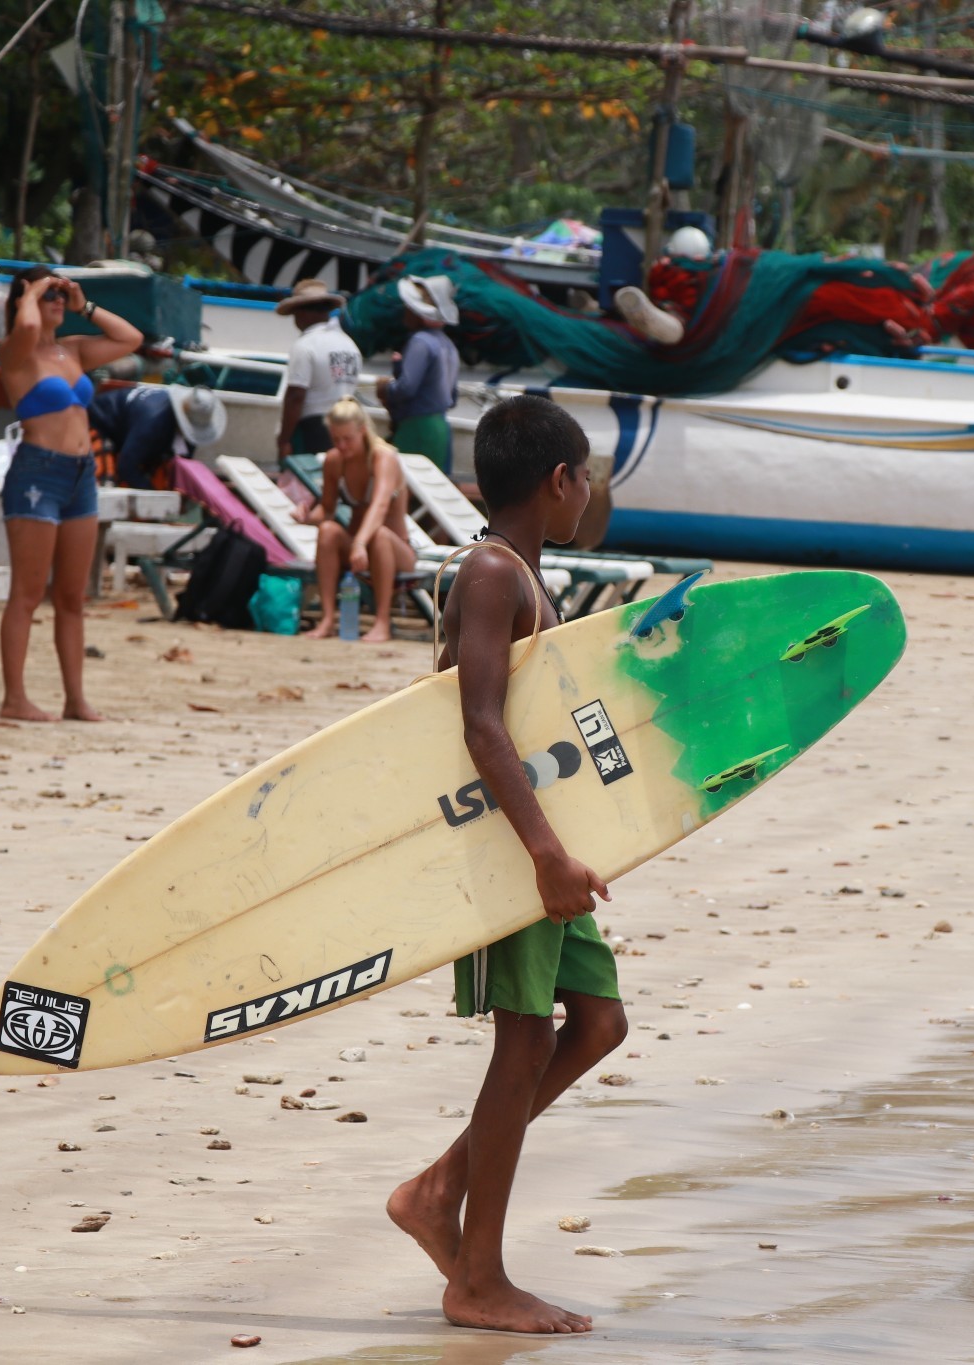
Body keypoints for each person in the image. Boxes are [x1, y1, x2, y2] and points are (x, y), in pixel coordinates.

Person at [385, 394, 624, 1335]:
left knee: (596, 1023)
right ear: (560, 480)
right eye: (585, 478)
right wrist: (545, 854)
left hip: (537, 842)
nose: (589, 495)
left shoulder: (522, 569)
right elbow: (478, 721)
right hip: (505, 847)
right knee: (522, 1041)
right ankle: (477, 1277)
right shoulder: (490, 571)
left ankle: (440, 1188)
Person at [0, 267, 142, 722]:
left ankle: (75, 698)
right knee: (27, 591)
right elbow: (28, 328)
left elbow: (130, 339)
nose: (58, 300)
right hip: (39, 472)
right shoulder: (16, 353)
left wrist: (85, 306)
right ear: (26, 301)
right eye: (50, 295)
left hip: (82, 475)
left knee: (72, 597)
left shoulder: (72, 350)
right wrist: (33, 290)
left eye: (60, 294)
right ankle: (14, 697)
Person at [299, 396, 416, 642]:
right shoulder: (334, 461)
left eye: (347, 439)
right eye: (336, 439)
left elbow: (380, 505)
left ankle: (382, 621)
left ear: (362, 431)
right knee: (329, 531)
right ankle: (328, 619)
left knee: (380, 535)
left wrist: (360, 543)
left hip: (397, 550)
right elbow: (326, 510)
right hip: (357, 547)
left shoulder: (384, 458)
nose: (342, 446)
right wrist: (307, 517)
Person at [374, 275, 460, 473]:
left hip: (418, 428)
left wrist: (385, 388)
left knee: (409, 488)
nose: (404, 310)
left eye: (407, 306)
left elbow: (406, 387)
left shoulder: (420, 342)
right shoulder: (448, 346)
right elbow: (452, 397)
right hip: (440, 428)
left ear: (417, 312)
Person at [274, 278, 361, 458]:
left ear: (304, 313)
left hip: (312, 429)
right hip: (347, 426)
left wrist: (284, 440)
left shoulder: (305, 345)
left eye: (296, 313)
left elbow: (296, 396)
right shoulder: (350, 345)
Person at [86, 383, 226, 488]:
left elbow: (184, 461)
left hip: (130, 433)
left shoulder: (190, 418)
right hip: (98, 424)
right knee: (106, 483)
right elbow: (126, 467)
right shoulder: (152, 423)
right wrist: (153, 494)